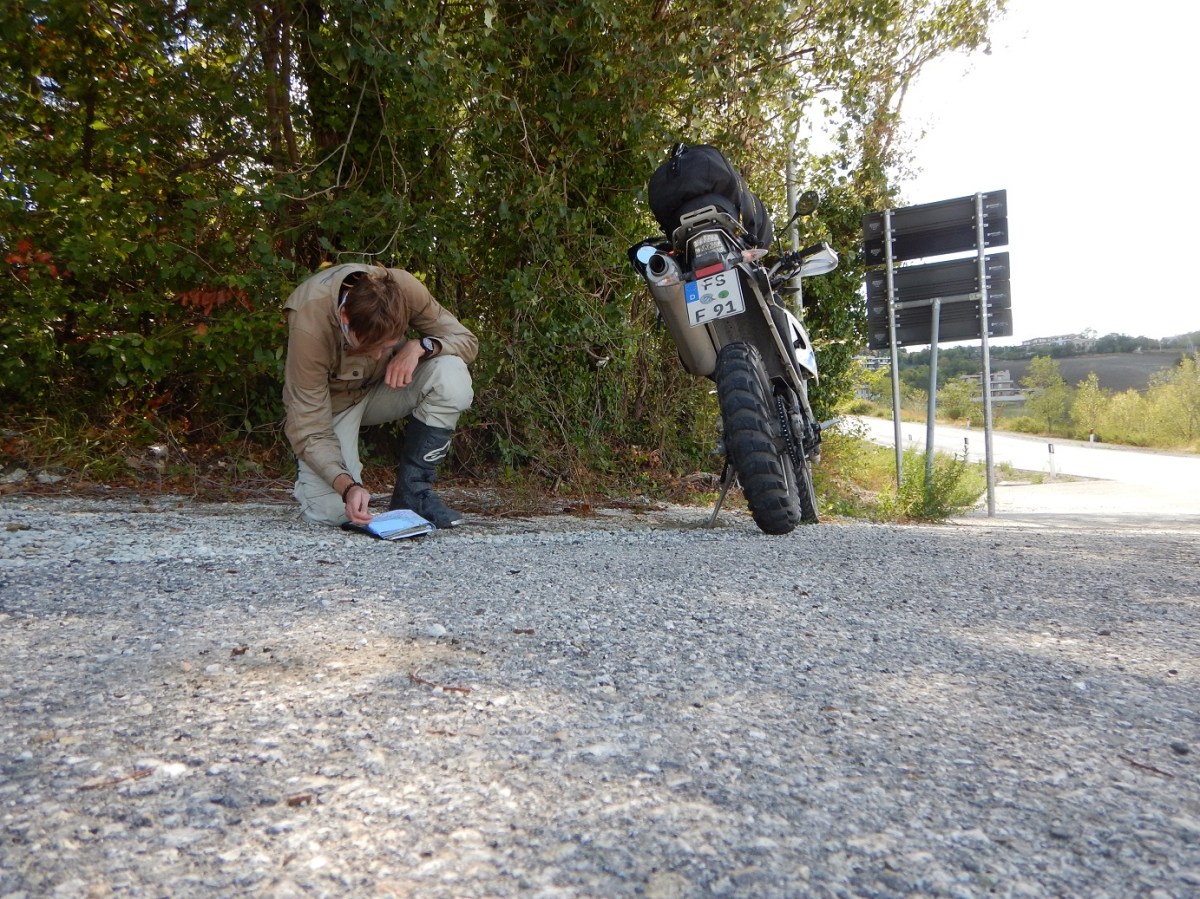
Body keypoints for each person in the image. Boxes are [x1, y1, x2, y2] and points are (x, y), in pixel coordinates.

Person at [282, 263, 478, 529]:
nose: (377, 355)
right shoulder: (309, 323)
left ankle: (413, 493)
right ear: (345, 318)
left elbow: (466, 341)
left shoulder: (403, 290)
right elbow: (309, 425)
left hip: (386, 386)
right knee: (333, 513)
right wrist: (348, 486)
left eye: (386, 346)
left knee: (450, 374)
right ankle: (313, 479)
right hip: (333, 407)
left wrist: (420, 346)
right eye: (368, 346)